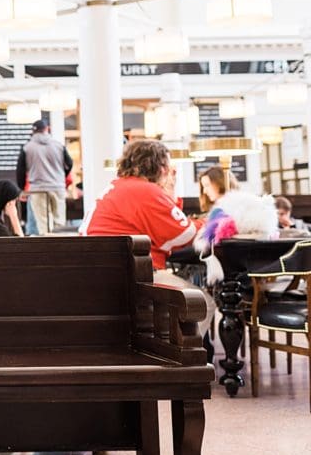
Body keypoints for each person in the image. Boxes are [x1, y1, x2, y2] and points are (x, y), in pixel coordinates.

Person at [80, 140, 215, 336]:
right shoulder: (144, 190)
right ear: (161, 167)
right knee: (202, 304)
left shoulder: (121, 186)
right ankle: (180, 362)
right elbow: (183, 235)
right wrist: (211, 223)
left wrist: (168, 193)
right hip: (129, 276)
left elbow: (165, 228)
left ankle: (168, 349)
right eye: (169, 167)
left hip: (105, 273)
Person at [16, 119, 72, 234]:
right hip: (57, 187)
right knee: (59, 220)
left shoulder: (27, 147)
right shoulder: (59, 146)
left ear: (33, 131)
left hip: (38, 188)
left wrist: (22, 188)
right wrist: (60, 177)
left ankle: (48, 247)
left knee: (43, 222)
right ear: (47, 129)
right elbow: (69, 163)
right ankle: (61, 245)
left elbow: (20, 170)